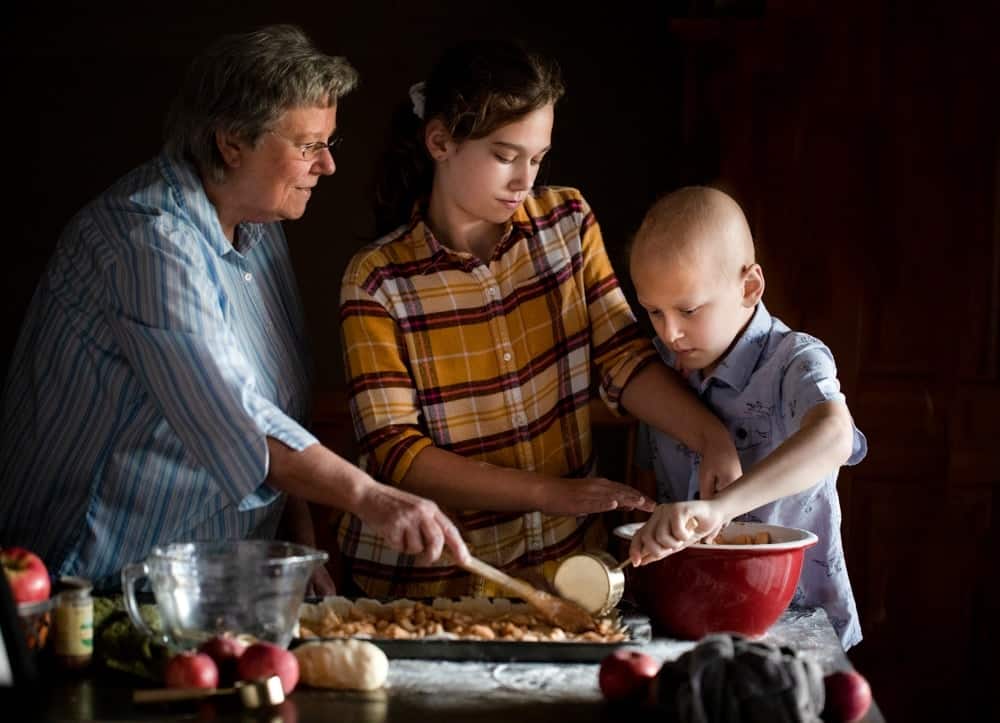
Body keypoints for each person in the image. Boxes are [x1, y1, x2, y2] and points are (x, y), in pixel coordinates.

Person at [0, 24, 468, 593]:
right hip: (93, 586)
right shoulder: (147, 240)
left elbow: (276, 406)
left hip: (203, 584)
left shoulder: (257, 225)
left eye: (329, 143)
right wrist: (373, 498)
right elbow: (239, 421)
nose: (327, 167)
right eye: (307, 146)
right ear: (231, 143)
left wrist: (294, 540)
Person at [337, 40, 742, 599]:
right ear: (440, 141)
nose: (524, 179)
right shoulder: (377, 279)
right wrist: (549, 493)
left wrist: (711, 437)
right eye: (505, 156)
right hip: (432, 581)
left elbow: (623, 359)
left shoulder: (568, 223)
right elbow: (399, 454)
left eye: (537, 157)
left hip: (565, 570)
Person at [626, 186, 867, 649]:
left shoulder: (796, 360)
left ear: (750, 287)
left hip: (793, 619)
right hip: (684, 614)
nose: (669, 332)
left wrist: (721, 507)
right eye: (653, 311)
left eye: (688, 309)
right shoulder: (656, 373)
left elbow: (835, 436)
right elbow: (648, 483)